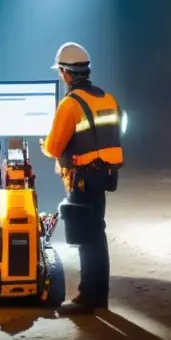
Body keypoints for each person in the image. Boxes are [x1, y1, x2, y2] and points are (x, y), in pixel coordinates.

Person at [40, 41, 124, 315]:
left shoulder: (70, 104)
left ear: (65, 73)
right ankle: (99, 296)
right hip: (106, 176)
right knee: (97, 233)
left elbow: (53, 147)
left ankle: (89, 297)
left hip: (82, 179)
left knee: (87, 238)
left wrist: (45, 144)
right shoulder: (108, 99)